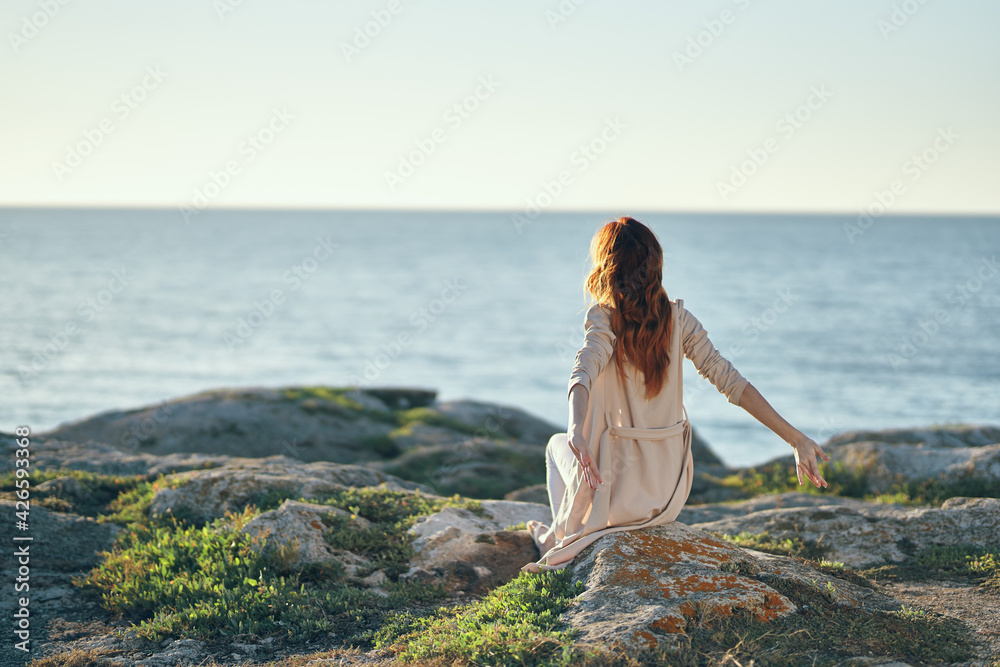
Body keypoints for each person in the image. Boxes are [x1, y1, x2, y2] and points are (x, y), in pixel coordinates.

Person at [523, 217, 830, 572]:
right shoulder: (680, 320)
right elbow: (731, 381)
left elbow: (583, 371)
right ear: (654, 267)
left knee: (555, 444)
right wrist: (796, 439)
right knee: (568, 445)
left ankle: (557, 537)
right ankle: (559, 535)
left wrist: (577, 427)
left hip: (615, 492)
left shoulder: (604, 318)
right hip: (666, 491)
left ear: (607, 269)